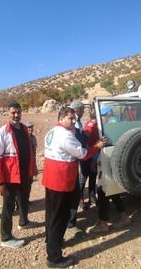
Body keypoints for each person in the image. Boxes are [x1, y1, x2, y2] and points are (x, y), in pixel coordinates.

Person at [43, 106, 107, 268]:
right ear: (61, 118)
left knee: (51, 215)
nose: (74, 121)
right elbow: (83, 154)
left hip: (51, 179)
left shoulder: (52, 132)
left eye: (74, 118)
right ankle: (54, 258)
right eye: (70, 118)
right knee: (60, 217)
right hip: (61, 181)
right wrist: (98, 146)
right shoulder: (66, 136)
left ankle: (51, 242)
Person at [0, 101, 35, 249]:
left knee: (24, 200)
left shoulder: (24, 129)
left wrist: (32, 168)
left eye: (18, 112)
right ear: (8, 113)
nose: (16, 115)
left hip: (24, 173)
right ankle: (5, 238)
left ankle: (24, 222)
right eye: (13, 112)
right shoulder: (2, 132)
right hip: (10, 176)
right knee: (8, 207)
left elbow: (29, 151)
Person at [66, 100, 87, 238]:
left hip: (78, 160)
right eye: (82, 109)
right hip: (75, 162)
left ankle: (72, 219)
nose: (83, 111)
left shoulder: (78, 122)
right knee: (74, 192)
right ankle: (70, 223)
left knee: (76, 191)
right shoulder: (71, 125)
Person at [80, 112, 99, 208]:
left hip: (92, 157)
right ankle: (79, 200)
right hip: (88, 157)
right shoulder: (90, 128)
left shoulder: (93, 126)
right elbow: (87, 145)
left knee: (93, 177)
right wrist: (92, 160)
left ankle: (92, 198)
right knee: (83, 178)